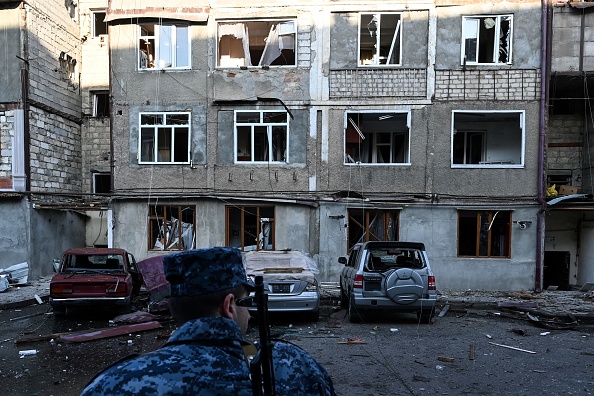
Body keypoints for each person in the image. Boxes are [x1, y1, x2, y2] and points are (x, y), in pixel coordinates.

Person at [81, 247, 336, 396]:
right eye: (246, 303)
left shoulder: (115, 382)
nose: (250, 314)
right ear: (229, 306)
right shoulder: (289, 365)